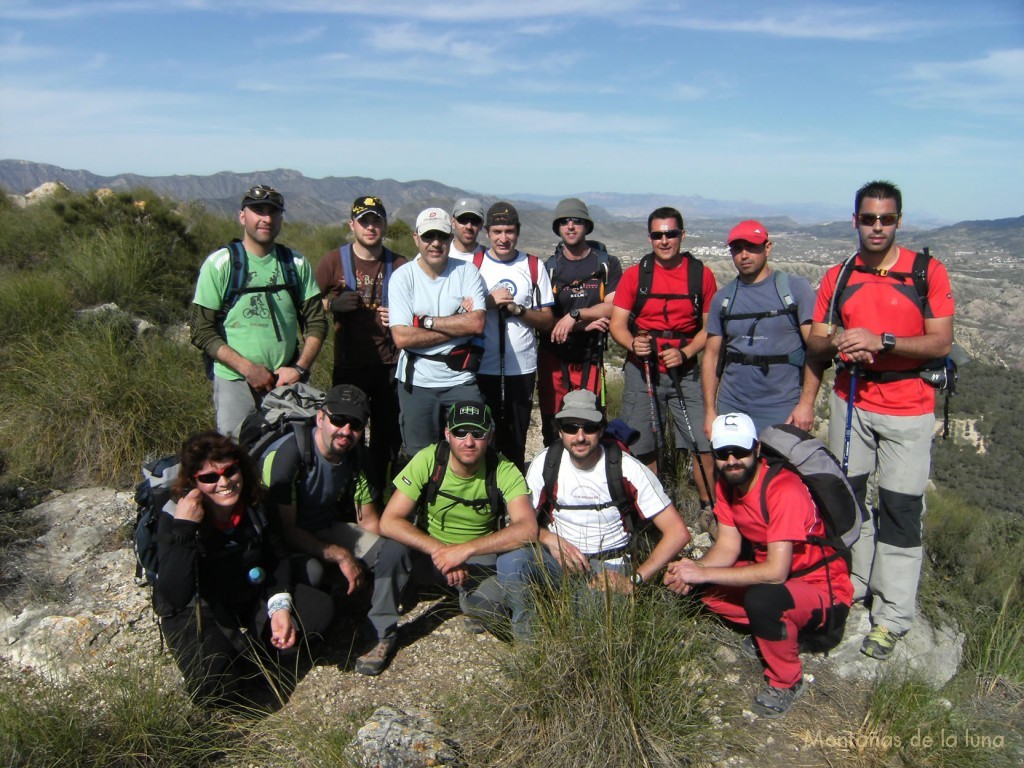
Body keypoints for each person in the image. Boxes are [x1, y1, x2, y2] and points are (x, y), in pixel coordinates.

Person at [807, 180, 954, 660]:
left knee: (900, 507)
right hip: (852, 401)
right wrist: (841, 341)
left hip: (909, 406)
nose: (876, 226)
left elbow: (939, 343)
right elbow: (817, 343)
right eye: (868, 218)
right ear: (855, 220)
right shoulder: (839, 275)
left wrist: (882, 341)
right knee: (847, 498)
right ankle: (857, 583)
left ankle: (892, 616)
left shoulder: (926, 272)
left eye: (885, 219)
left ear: (898, 222)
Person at [664, 413, 853, 718]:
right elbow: (727, 546)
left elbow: (775, 572)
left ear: (757, 450)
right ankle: (777, 634)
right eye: (723, 454)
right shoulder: (728, 485)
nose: (731, 460)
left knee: (763, 599)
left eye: (739, 451)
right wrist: (693, 572)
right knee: (703, 590)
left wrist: (702, 572)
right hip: (781, 580)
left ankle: (786, 682)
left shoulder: (783, 491)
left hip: (821, 589)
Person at [153, 431, 331, 707]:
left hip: (245, 593)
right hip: (202, 606)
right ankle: (237, 657)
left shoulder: (256, 504)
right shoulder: (175, 517)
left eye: (230, 471)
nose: (224, 482)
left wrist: (279, 607)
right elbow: (175, 594)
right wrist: (185, 531)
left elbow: (278, 558)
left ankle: (258, 651)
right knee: (212, 687)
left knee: (318, 611)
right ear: (192, 483)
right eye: (210, 478)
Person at [501, 390, 690, 638]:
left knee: (593, 626)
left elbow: (678, 532)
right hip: (558, 557)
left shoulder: (626, 468)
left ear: (601, 430)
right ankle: (530, 644)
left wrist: (634, 579)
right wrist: (548, 539)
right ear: (559, 430)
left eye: (589, 427)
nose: (580, 437)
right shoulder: (546, 462)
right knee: (510, 563)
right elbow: (520, 522)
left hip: (609, 563)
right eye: (571, 427)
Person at [372, 402, 539, 667]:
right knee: (392, 550)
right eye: (461, 433)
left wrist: (466, 550)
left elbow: (528, 528)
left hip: (477, 562)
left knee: (491, 610)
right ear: (448, 434)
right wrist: (441, 550)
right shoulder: (430, 459)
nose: (469, 442)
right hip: (431, 557)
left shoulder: (503, 469)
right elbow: (389, 520)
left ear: (490, 436)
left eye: (478, 433)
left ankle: (469, 603)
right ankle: (382, 634)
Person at [260, 385, 396, 676]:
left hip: (323, 527)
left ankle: (378, 623)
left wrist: (391, 555)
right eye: (339, 420)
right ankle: (292, 636)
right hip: (281, 542)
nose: (346, 430)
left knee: (388, 552)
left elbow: (368, 521)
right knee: (313, 571)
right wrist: (343, 556)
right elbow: (286, 529)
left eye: (356, 424)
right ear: (320, 418)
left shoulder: (358, 456)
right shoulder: (290, 455)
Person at [190, 185, 328, 438]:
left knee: (289, 451)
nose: (266, 218)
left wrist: (299, 369)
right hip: (235, 381)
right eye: (258, 211)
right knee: (236, 453)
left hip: (286, 380)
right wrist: (247, 369)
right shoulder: (221, 264)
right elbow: (201, 330)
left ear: (281, 218)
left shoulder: (295, 264)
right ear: (243, 216)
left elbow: (317, 321)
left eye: (273, 212)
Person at [609, 206, 718, 504]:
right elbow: (617, 325)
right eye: (658, 235)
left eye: (670, 234)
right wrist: (633, 345)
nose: (664, 241)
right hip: (642, 369)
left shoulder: (701, 276)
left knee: (703, 443)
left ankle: (710, 509)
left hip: (687, 371)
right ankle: (652, 510)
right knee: (642, 444)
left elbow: (709, 329)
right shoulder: (635, 277)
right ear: (650, 238)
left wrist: (685, 353)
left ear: (682, 235)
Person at [314, 196, 407, 492]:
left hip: (390, 367)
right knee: (346, 434)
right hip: (349, 366)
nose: (370, 227)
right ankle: (344, 494)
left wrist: (402, 316)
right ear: (351, 225)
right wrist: (332, 305)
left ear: (384, 225)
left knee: (388, 438)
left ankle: (378, 496)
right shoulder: (332, 262)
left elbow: (420, 308)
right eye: (364, 221)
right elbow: (306, 305)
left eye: (376, 220)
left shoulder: (400, 264)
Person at [702, 219, 824, 437]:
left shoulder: (796, 289)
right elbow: (711, 356)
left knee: (783, 470)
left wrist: (806, 403)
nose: (744, 255)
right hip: (732, 406)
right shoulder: (723, 298)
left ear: (768, 248)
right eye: (737, 249)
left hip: (783, 407)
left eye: (752, 247)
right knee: (734, 469)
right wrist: (710, 412)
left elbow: (815, 350)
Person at [389, 208, 488, 456]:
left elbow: (476, 323)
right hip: (417, 381)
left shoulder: (466, 272)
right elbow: (401, 337)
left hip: (460, 379)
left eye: (441, 236)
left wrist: (425, 322)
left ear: (450, 236)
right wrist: (456, 322)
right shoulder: (403, 277)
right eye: (428, 237)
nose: (435, 243)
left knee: (472, 449)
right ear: (416, 238)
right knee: (420, 457)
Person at [475, 201, 555, 470]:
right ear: (487, 233)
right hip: (481, 365)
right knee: (481, 437)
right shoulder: (474, 264)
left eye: (509, 231)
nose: (503, 238)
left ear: (518, 232)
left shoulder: (532, 266)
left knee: (515, 438)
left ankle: (513, 502)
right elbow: (460, 309)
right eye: (497, 231)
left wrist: (517, 310)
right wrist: (489, 302)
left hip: (520, 367)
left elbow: (546, 320)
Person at [538, 198, 623, 445]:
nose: (571, 226)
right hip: (554, 356)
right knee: (553, 423)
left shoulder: (606, 264)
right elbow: (546, 320)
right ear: (558, 228)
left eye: (577, 221)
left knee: (589, 422)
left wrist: (576, 315)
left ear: (586, 225)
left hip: (590, 356)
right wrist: (584, 323)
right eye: (564, 222)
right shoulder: (550, 268)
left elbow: (612, 307)